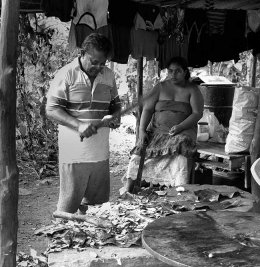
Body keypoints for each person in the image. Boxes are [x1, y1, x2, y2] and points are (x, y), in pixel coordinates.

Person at [46, 33, 121, 214]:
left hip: (100, 153)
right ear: (82, 53)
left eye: (102, 63)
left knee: (97, 209)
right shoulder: (66, 74)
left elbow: (115, 104)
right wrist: (78, 125)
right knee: (67, 209)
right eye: (94, 61)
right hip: (74, 153)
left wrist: (116, 116)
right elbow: (52, 110)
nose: (98, 67)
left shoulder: (108, 75)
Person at [124, 56, 204, 191]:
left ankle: (180, 191)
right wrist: (142, 130)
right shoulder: (160, 87)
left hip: (183, 131)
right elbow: (148, 109)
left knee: (181, 153)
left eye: (177, 71)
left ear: (185, 72)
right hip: (156, 130)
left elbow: (197, 113)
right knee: (138, 153)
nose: (173, 74)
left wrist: (180, 126)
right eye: (170, 71)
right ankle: (128, 190)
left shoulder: (193, 89)